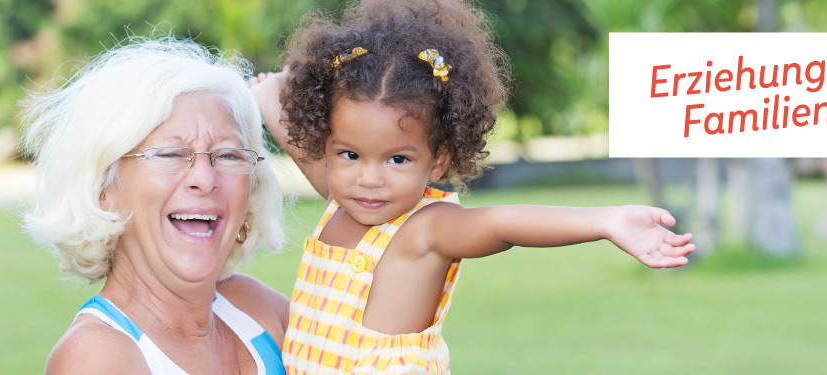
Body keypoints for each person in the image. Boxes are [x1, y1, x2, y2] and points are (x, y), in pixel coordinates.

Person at [252, 0, 695, 373]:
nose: (369, 177)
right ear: (327, 146)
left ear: (438, 158)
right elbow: (294, 138)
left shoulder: (424, 230)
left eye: (398, 159)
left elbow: (503, 223)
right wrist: (271, 94)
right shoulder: (343, 202)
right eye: (350, 154)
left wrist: (603, 220)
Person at [22, 36, 289, 375]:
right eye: (170, 154)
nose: (205, 178)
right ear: (104, 188)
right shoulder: (99, 357)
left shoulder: (254, 308)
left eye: (227, 155)